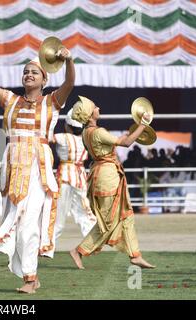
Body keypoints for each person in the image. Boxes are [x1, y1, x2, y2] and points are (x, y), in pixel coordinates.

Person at [0, 37, 75, 293]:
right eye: (25, 72)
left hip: (38, 168)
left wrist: (69, 60)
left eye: (34, 72)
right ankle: (30, 274)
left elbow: (69, 83)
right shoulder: (10, 100)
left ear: (44, 80)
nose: (29, 75)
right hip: (12, 167)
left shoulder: (52, 101)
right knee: (19, 223)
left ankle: (30, 279)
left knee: (28, 221)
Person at [68, 96, 155, 269]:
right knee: (108, 222)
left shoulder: (87, 132)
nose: (98, 107)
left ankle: (135, 255)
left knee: (126, 215)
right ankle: (79, 251)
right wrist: (143, 125)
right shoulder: (98, 131)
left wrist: (126, 135)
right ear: (90, 114)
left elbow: (114, 142)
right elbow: (127, 143)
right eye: (95, 107)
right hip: (107, 177)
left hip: (103, 175)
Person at [51, 108, 97, 247]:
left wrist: (51, 119)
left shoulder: (62, 137)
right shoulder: (85, 138)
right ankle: (93, 243)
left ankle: (47, 246)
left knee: (58, 215)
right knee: (84, 211)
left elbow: (46, 137)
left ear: (67, 125)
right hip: (81, 176)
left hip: (65, 175)